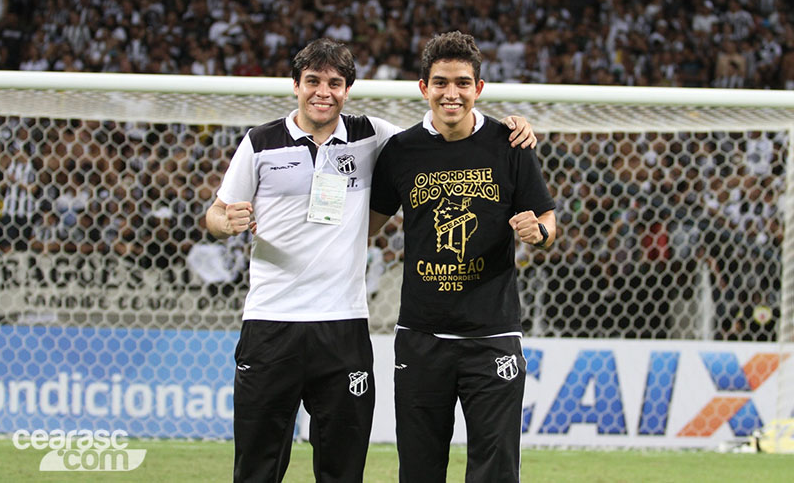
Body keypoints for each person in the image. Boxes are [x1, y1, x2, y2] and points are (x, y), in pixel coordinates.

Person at [204, 37, 537, 483]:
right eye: (313, 82)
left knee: (343, 470)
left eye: (335, 83)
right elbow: (216, 212)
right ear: (296, 85)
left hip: (343, 324)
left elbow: (438, 134)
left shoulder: (374, 137)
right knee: (256, 466)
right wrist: (226, 223)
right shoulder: (259, 143)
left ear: (348, 90)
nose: (323, 92)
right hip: (271, 321)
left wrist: (512, 127)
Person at [369, 31, 556, 482]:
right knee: (418, 468)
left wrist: (540, 233)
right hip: (421, 335)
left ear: (479, 88)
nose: (451, 93)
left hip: (492, 334)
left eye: (461, 82)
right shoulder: (401, 150)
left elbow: (548, 220)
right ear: (423, 87)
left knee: (495, 469)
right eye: (440, 82)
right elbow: (366, 228)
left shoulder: (510, 144)